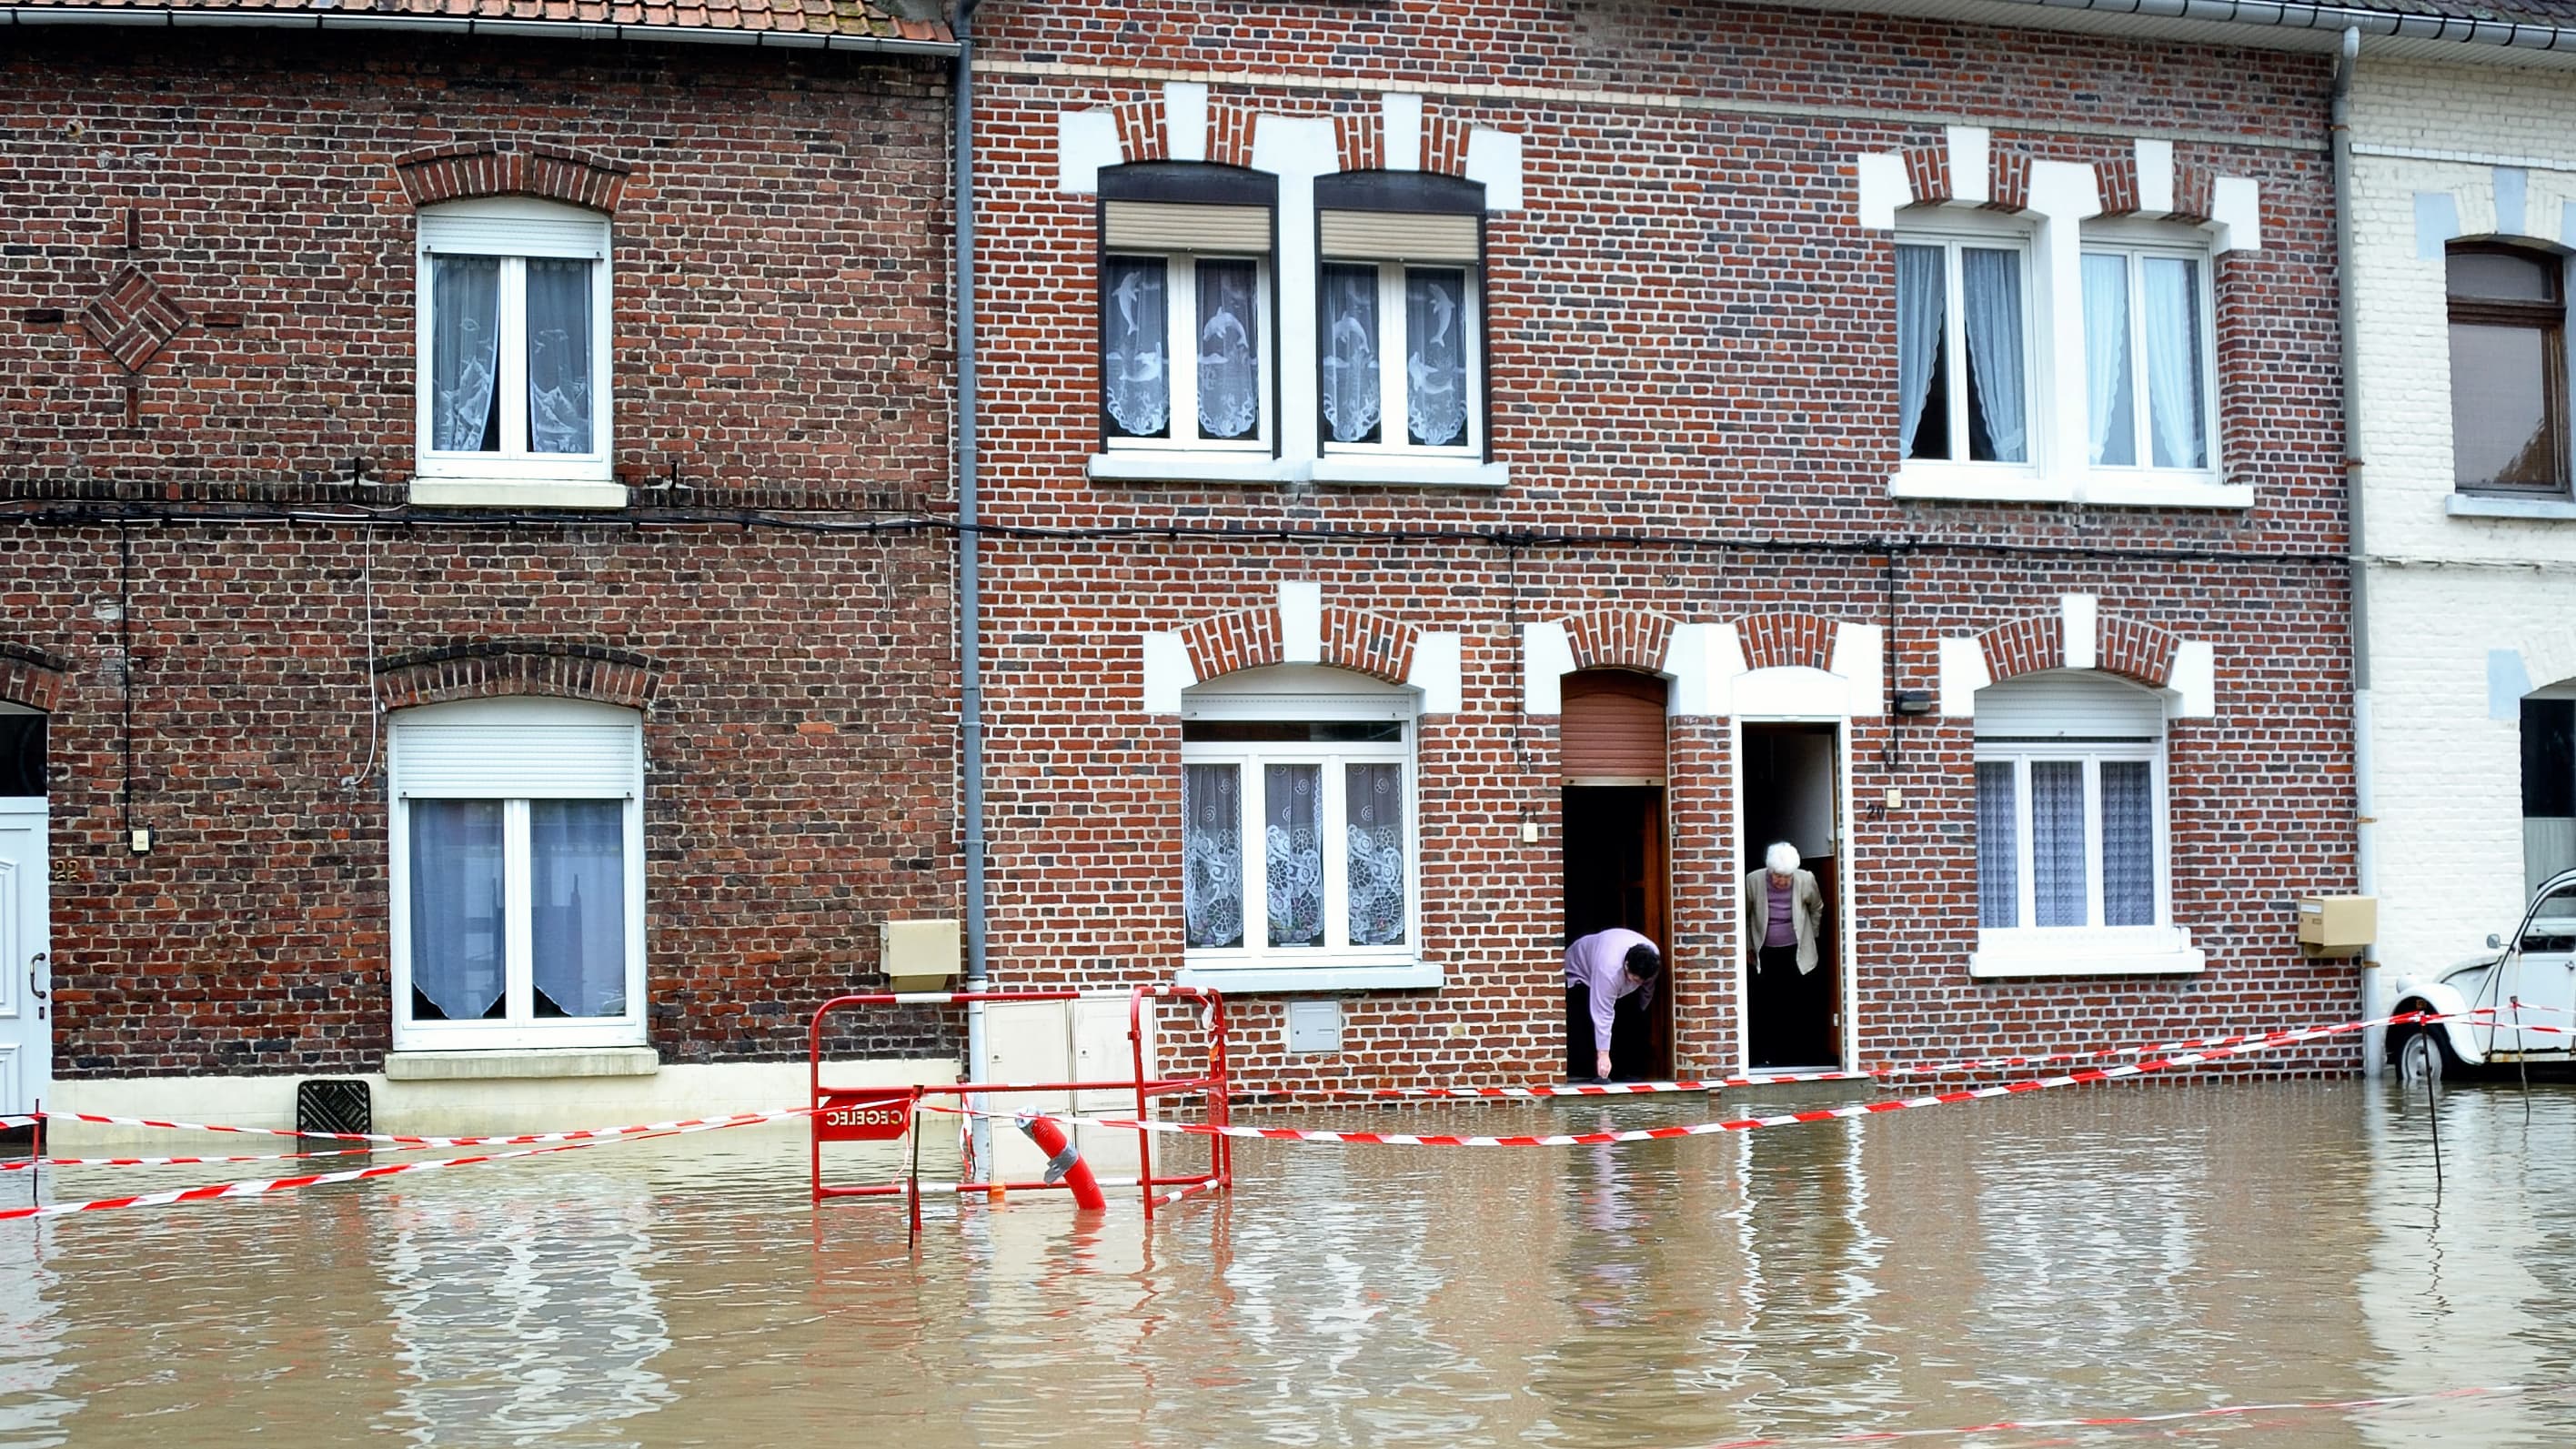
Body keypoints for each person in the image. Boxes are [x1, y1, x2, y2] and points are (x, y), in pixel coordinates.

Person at [1742, 842, 1827, 1065]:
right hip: (1765, 952)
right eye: (1777, 876)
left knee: (1797, 1004)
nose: (1782, 881)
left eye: (1787, 877)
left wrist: (1813, 935)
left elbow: (1816, 907)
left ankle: (1797, 1056)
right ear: (1769, 871)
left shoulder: (1805, 879)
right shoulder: (1753, 880)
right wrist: (1748, 946)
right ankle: (1769, 1056)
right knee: (1768, 1005)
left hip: (1797, 951)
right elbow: (1744, 914)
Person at [1564, 928, 1663, 1082]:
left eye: (1639, 981)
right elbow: (1602, 1013)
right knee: (1587, 1021)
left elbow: (1647, 990)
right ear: (1626, 964)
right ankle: (1591, 1071)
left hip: (1612, 970)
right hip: (1580, 972)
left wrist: (1639, 1012)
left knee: (1627, 1016)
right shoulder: (1608, 968)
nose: (1634, 982)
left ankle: (1624, 1070)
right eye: (1632, 978)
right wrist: (1603, 1055)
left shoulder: (1653, 961)